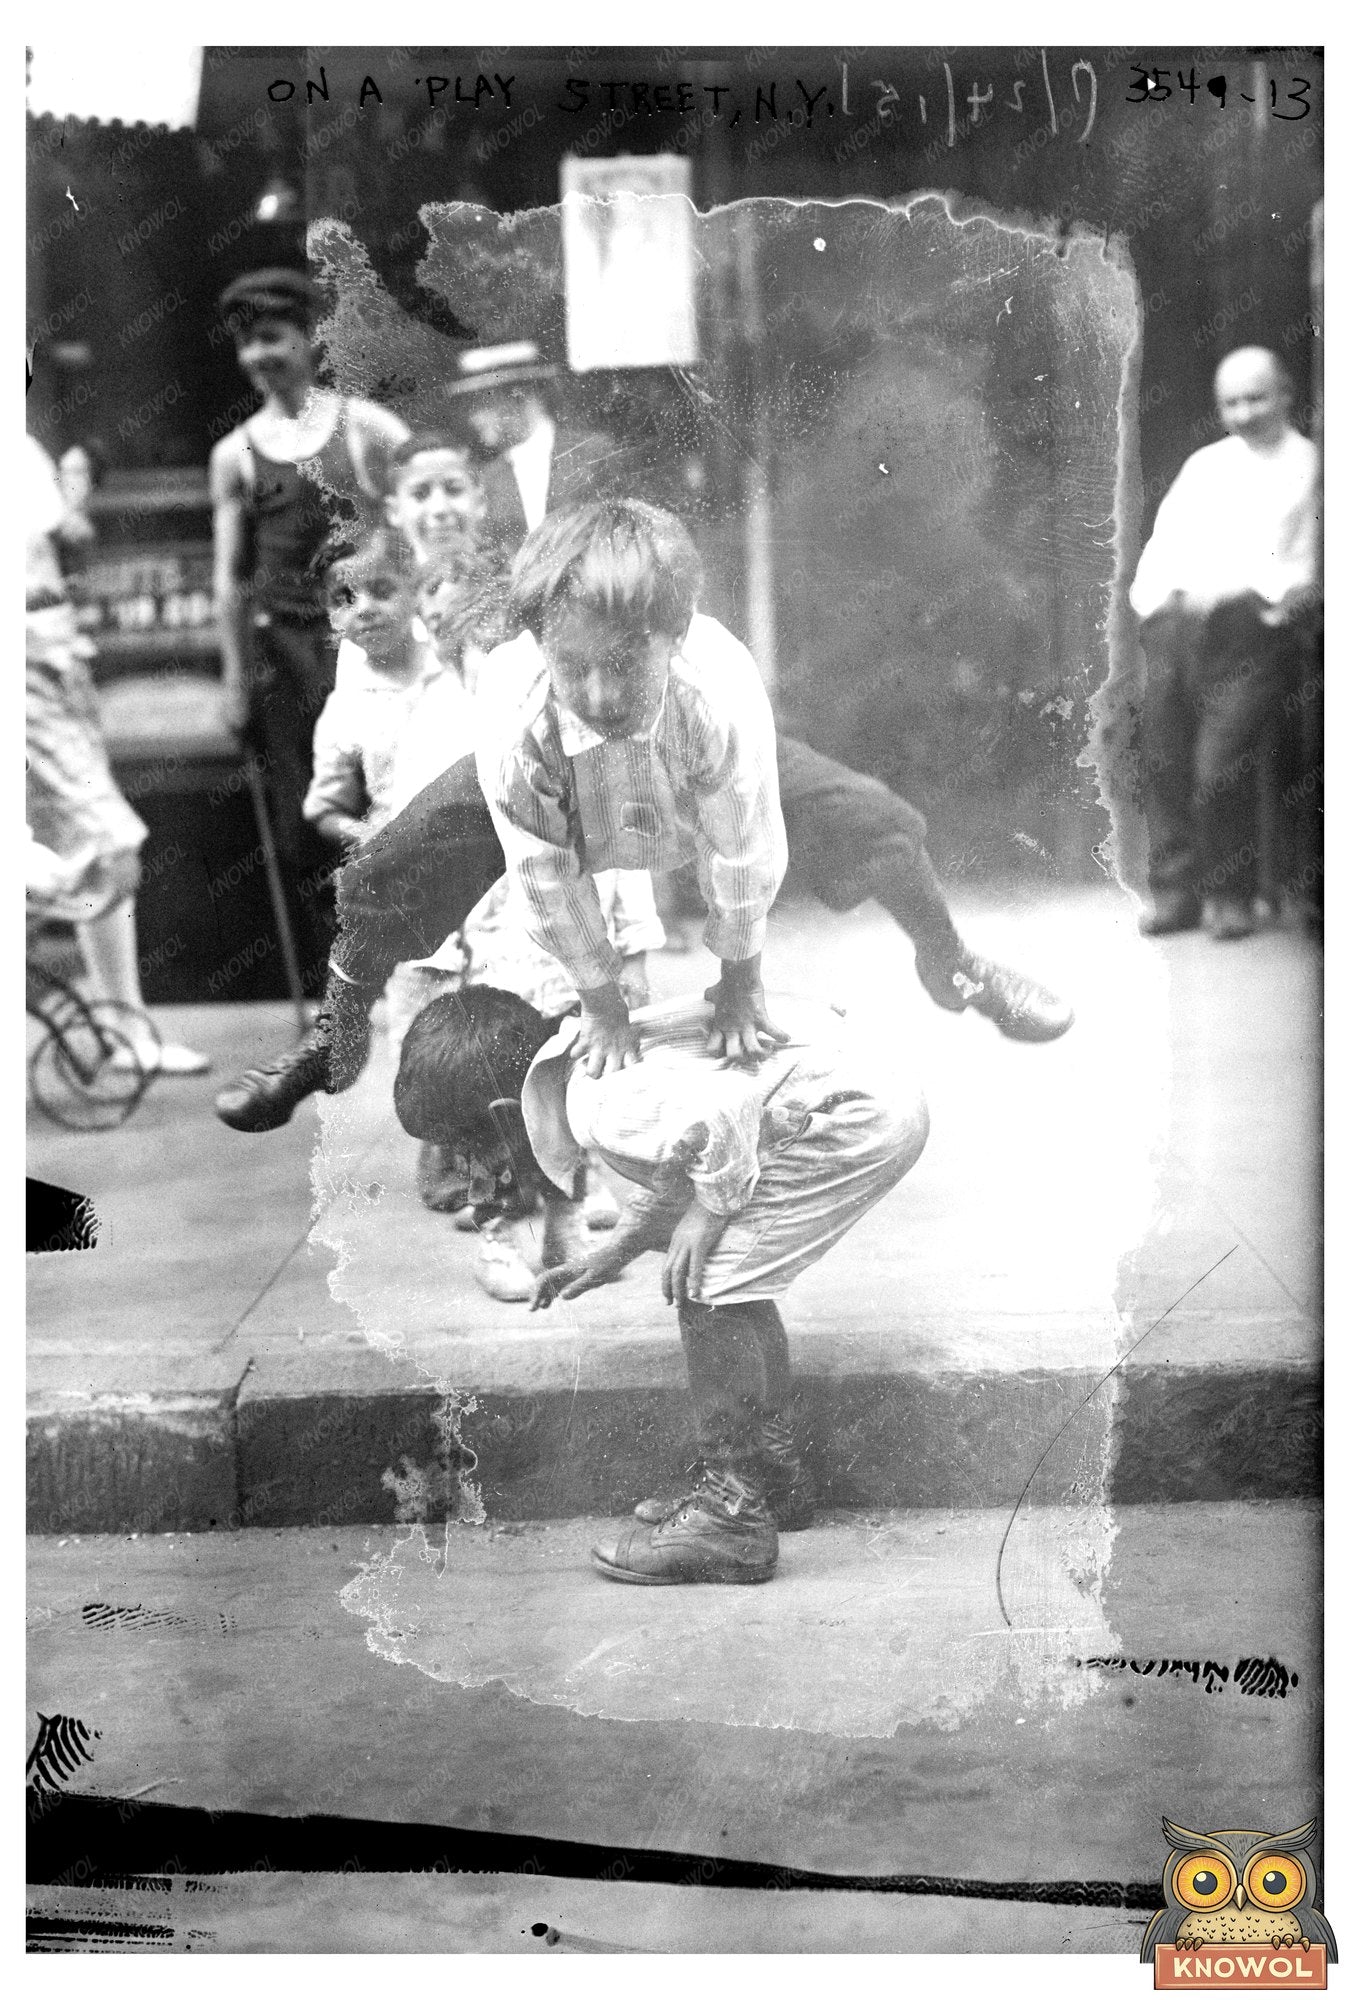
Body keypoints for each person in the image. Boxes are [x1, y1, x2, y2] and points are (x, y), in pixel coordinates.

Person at [214, 495, 1072, 1133]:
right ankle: (336, 1037)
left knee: (880, 824)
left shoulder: (718, 692)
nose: (598, 695)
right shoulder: (516, 705)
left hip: (687, 786)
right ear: (538, 642)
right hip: (558, 795)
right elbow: (544, 872)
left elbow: (744, 854)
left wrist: (739, 981)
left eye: (625, 663)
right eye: (572, 665)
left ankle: (954, 966)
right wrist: (602, 1001)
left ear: (676, 632)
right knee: (380, 873)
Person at [393, 982, 929, 1584]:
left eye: (462, 1152)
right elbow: (685, 1151)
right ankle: (769, 1477)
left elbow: (723, 1115)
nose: (467, 1176)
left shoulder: (600, 1107)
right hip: (860, 1097)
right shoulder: (584, 1069)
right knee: (724, 1273)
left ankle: (733, 1518)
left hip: (856, 1117)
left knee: (706, 1282)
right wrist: (616, 1250)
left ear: (501, 1115)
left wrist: (710, 1210)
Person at [209, 268, 409, 987]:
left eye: (272, 338)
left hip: (363, 648)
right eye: (247, 344)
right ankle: (337, 998)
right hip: (283, 658)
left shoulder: (365, 429)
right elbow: (230, 580)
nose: (258, 356)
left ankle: (400, 977)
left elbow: (418, 523)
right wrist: (235, 678)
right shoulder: (235, 453)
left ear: (309, 339)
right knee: (305, 827)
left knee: (382, 799)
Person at [25, 432, 209, 1075]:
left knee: (89, 847)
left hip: (52, 654)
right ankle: (121, 1028)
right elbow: (64, 533)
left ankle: (121, 1026)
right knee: (105, 848)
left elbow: (65, 546)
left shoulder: (23, 448)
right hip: (27, 664)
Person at [1131, 346, 1321, 940]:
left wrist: (1250, 594)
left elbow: (1309, 564)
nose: (1243, 413)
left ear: (1285, 395)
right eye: (1231, 402)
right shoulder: (1206, 465)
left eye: (1255, 398)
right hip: (1179, 631)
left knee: (1220, 768)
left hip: (1252, 637)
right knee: (1164, 757)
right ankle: (1175, 895)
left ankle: (1230, 896)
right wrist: (1159, 605)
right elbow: (1164, 543)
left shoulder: (1312, 466)